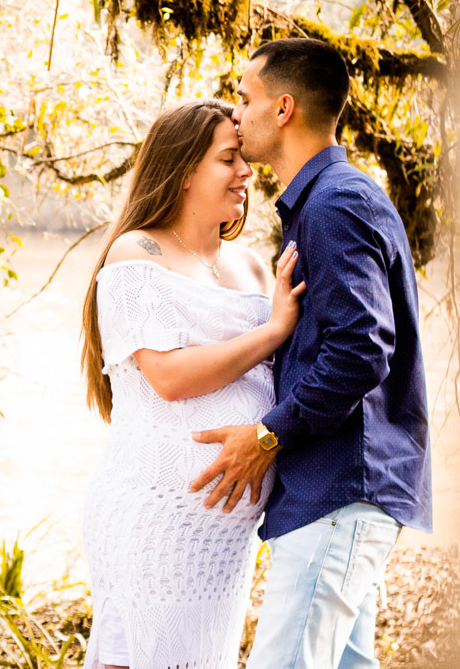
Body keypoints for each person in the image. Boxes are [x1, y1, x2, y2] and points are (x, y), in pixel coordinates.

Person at [189, 39, 432, 668]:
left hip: (340, 490)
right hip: (339, 495)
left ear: (284, 108)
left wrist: (266, 436)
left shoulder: (334, 204)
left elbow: (361, 349)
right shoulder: (328, 201)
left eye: (246, 99)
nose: (236, 115)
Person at [79, 99, 305, 669]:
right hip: (152, 519)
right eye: (229, 159)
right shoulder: (138, 251)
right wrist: (275, 330)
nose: (247, 172)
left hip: (221, 541)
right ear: (183, 172)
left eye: (244, 158)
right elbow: (170, 377)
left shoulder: (255, 266)